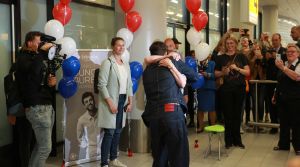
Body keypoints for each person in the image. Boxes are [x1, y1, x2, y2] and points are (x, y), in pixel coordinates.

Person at [142, 41, 189, 167]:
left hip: (154, 116)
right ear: (165, 53)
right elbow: (189, 79)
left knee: (159, 156)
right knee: (179, 155)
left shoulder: (146, 69)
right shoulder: (171, 63)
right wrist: (171, 59)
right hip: (172, 113)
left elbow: (147, 59)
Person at [15, 31, 57, 167]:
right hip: (37, 107)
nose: (42, 45)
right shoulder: (23, 58)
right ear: (29, 43)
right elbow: (32, 76)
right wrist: (42, 53)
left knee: (40, 147)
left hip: (46, 105)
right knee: (45, 148)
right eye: (39, 42)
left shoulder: (37, 57)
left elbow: (39, 79)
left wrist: (51, 82)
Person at [97, 37, 133, 167]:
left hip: (123, 100)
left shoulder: (126, 64)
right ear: (113, 46)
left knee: (118, 131)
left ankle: (113, 159)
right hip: (111, 100)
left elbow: (129, 85)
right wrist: (110, 103)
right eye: (118, 45)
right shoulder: (107, 63)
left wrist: (131, 101)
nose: (121, 47)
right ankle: (104, 163)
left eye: (123, 45)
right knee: (110, 132)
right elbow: (101, 85)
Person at [215, 36, 250, 149]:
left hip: (239, 89)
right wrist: (223, 73)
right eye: (228, 43)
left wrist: (237, 69)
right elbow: (216, 74)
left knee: (237, 115)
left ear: (235, 44)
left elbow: (248, 72)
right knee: (228, 115)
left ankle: (237, 140)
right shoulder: (220, 58)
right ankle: (228, 141)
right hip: (226, 90)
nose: (230, 45)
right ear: (225, 45)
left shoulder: (241, 56)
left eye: (232, 43)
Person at [273, 43, 300, 155]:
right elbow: (280, 81)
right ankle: (283, 145)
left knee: (296, 123)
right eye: (288, 52)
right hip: (282, 98)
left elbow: (297, 77)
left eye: (292, 52)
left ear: (298, 54)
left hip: (295, 99)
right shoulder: (284, 64)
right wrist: (275, 94)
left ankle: (298, 147)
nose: (289, 53)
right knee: (283, 123)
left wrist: (283, 68)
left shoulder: (298, 64)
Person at [77, 92, 100, 158]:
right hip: (91, 151)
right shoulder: (81, 120)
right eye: (86, 102)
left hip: (104, 148)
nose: (89, 102)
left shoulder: (102, 113)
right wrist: (87, 146)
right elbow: (79, 137)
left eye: (90, 100)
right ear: (84, 105)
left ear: (94, 101)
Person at [196, 56, 216, 133]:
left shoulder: (212, 63)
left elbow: (215, 75)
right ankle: (201, 127)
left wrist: (208, 75)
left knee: (211, 108)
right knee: (200, 109)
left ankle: (213, 126)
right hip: (200, 88)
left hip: (209, 88)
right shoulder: (197, 64)